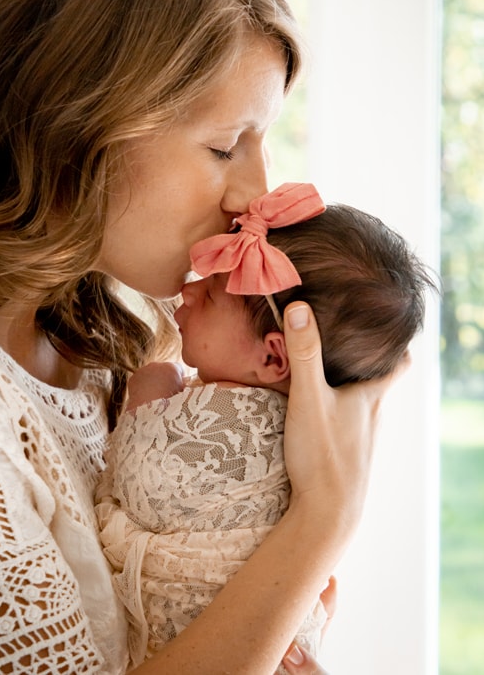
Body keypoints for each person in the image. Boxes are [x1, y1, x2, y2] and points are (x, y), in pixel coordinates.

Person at [0, 0, 402, 675]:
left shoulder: (103, 340)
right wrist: (321, 524)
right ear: (78, 120)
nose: (256, 194)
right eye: (226, 144)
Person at [96, 182, 436, 669]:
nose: (187, 288)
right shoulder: (329, 444)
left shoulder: (224, 422)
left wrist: (157, 378)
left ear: (275, 354)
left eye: (211, 294)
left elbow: (134, 472)